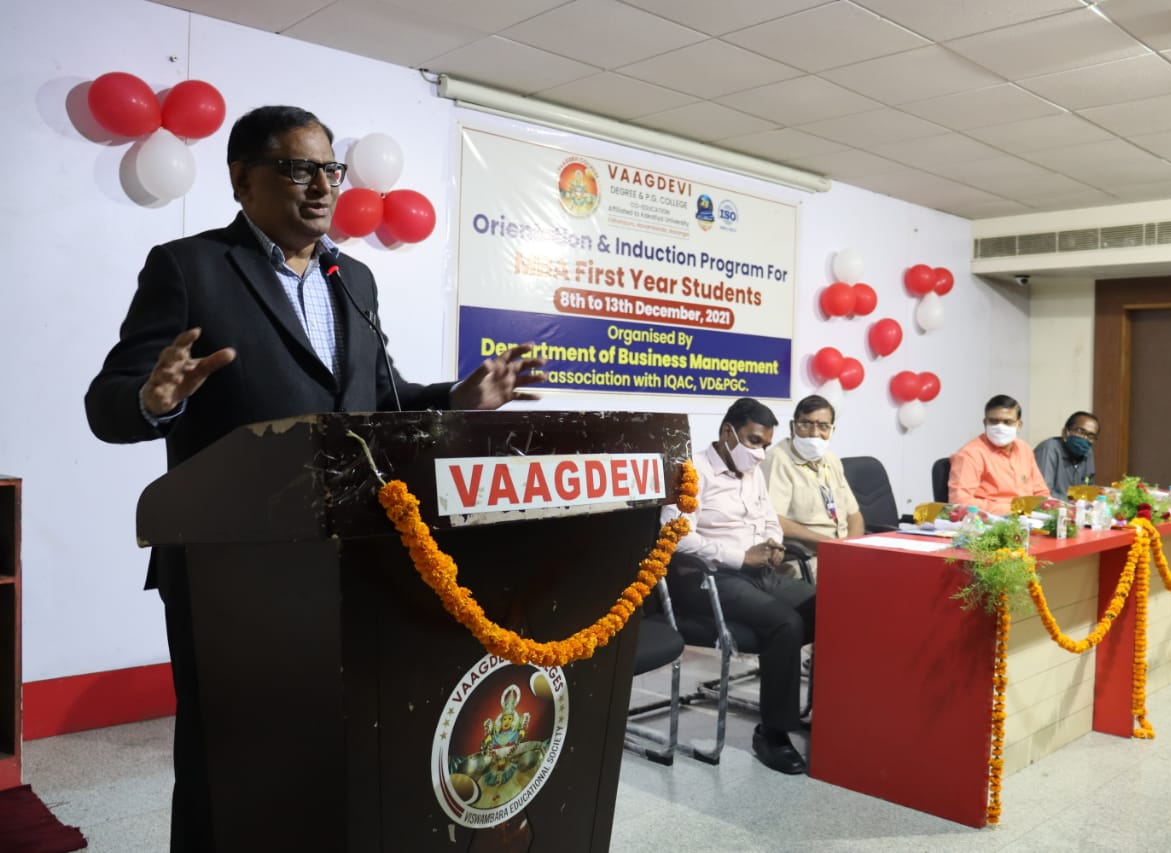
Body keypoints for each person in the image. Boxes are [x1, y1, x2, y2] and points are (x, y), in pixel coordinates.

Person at [84, 105, 545, 853]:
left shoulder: (352, 276)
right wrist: (153, 398)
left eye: (330, 169)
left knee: (325, 748)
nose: (323, 186)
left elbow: (381, 397)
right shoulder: (190, 267)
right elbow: (108, 403)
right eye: (298, 169)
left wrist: (456, 400)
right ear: (242, 180)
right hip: (226, 565)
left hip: (343, 557)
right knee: (223, 753)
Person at [660, 398, 815, 775]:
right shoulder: (691, 471)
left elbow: (768, 517)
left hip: (759, 572)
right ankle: (773, 734)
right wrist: (740, 556)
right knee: (785, 624)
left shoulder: (752, 470)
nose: (759, 452)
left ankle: (824, 710)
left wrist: (774, 543)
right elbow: (675, 537)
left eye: (765, 444)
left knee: (826, 606)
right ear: (728, 432)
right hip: (710, 578)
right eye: (753, 441)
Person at [761, 394, 864, 577]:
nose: (814, 433)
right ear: (793, 426)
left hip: (843, 552)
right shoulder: (778, 459)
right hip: (805, 559)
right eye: (806, 424)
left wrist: (851, 548)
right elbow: (772, 519)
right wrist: (828, 545)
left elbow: (854, 514)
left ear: (832, 430)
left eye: (823, 426)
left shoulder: (831, 460)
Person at [948, 394, 1050, 515]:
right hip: (991, 521)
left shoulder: (1024, 449)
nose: (1000, 427)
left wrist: (1046, 508)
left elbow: (1041, 493)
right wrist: (1013, 510)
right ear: (985, 423)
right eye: (994, 421)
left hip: (1030, 518)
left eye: (1007, 422)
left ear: (1019, 425)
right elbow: (959, 501)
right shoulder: (970, 454)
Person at [1034, 411, 1100, 501]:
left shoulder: (1088, 452)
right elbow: (1043, 494)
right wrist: (1074, 501)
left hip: (1077, 508)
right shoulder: (1049, 449)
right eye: (1080, 431)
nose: (1085, 438)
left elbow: (1089, 487)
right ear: (1065, 432)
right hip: (1049, 508)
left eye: (1091, 436)